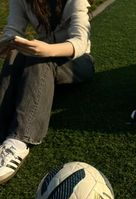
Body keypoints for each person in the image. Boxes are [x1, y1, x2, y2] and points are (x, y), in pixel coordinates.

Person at [0, 0, 94, 184]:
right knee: (15, 54)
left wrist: (48, 50)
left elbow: (80, 42)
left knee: (40, 59)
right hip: (43, 58)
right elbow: (13, 29)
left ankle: (19, 140)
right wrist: (7, 42)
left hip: (78, 62)